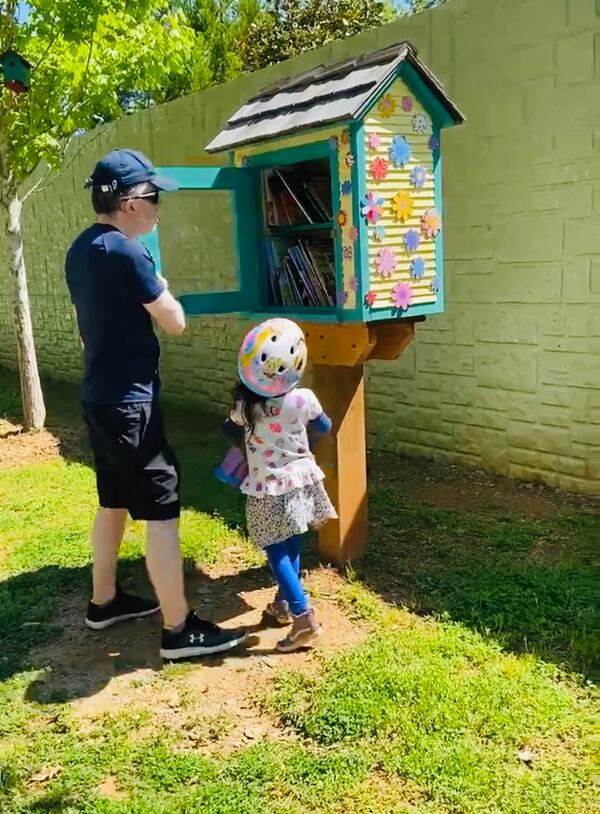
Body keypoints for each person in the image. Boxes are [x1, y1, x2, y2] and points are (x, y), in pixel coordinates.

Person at [65, 148, 248, 660]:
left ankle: (104, 601)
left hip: (99, 397)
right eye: (152, 196)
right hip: (130, 406)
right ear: (127, 203)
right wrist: (164, 287)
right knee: (161, 511)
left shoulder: (81, 250)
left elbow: (87, 332)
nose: (157, 206)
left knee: (113, 500)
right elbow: (175, 321)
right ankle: (178, 629)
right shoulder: (128, 252)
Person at [223, 318, 336, 652]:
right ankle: (284, 605)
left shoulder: (247, 406)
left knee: (275, 550)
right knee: (291, 543)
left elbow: (229, 430)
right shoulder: (304, 399)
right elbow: (325, 427)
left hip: (267, 488)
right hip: (302, 480)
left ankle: (304, 618)